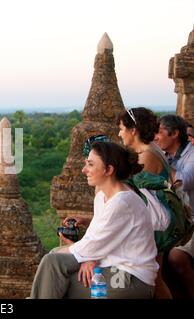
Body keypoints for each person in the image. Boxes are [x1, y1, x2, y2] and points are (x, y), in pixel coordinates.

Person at [29, 142, 158, 299]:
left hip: (130, 277)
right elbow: (94, 240)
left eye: (90, 164)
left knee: (55, 271)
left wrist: (87, 255)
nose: (84, 170)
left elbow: (92, 246)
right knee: (53, 264)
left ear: (109, 170)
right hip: (108, 266)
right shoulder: (102, 197)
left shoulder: (122, 202)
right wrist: (88, 257)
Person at [117, 107, 172, 298]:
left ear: (133, 130)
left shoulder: (147, 155)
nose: (119, 133)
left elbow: (131, 191)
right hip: (153, 221)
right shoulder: (147, 150)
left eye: (122, 128)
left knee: (154, 278)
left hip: (155, 224)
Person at [154, 115, 194, 298]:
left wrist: (159, 162)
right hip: (177, 221)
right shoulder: (167, 156)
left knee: (175, 257)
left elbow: (184, 182)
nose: (156, 137)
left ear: (175, 134)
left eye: (160, 132)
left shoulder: (191, 154)